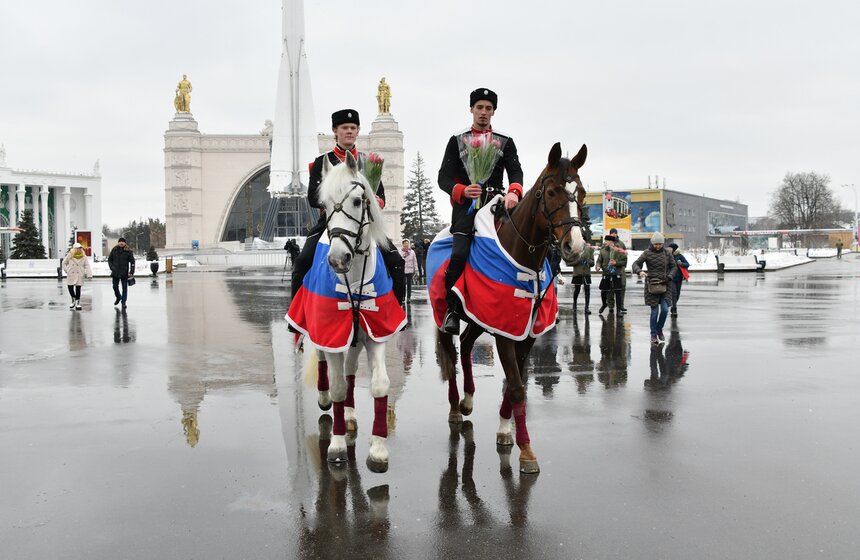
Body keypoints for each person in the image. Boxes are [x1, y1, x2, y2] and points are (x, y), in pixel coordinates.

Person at [290, 108, 403, 305]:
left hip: (365, 222)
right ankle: (298, 316)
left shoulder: (368, 163)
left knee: (396, 261)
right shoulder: (321, 162)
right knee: (302, 262)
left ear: (358, 131)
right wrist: (334, 200)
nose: (349, 131)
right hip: (330, 223)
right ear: (335, 131)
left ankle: (397, 308)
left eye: (353, 127)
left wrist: (375, 201)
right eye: (344, 127)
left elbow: (380, 195)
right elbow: (312, 198)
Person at [437, 87, 524, 334]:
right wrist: (461, 191)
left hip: (497, 205)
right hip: (466, 208)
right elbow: (443, 177)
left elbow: (515, 172)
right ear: (471, 109)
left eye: (488, 108)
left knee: (532, 245)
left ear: (493, 112)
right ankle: (453, 310)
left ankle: (538, 302)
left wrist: (513, 192)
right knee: (459, 254)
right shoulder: (457, 139)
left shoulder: (504, 140)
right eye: (479, 107)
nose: (483, 113)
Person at [632, 232, 677, 345]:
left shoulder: (667, 253)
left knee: (665, 309)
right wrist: (640, 271)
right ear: (652, 243)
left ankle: (659, 329)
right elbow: (636, 264)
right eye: (656, 244)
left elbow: (674, 267)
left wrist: (670, 276)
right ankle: (653, 334)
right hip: (651, 285)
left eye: (660, 244)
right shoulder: (647, 253)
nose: (658, 246)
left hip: (665, 284)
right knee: (654, 311)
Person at [595, 235, 627, 314]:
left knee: (618, 292)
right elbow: (599, 261)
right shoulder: (603, 251)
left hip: (616, 273)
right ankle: (607, 305)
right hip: (606, 273)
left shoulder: (619, 250)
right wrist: (598, 266)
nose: (605, 242)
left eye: (606, 241)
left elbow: (624, 262)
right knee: (605, 291)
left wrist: (616, 263)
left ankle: (618, 310)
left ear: (611, 242)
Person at [62, 242, 92, 310]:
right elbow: (64, 263)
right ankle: (73, 299)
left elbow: (87, 265)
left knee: (78, 288)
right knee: (70, 287)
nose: (79, 249)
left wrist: (89, 274)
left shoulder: (84, 256)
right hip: (71, 273)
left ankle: (78, 303)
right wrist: (67, 270)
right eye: (77, 248)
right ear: (74, 249)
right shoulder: (69, 255)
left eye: (80, 248)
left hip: (79, 273)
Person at [108, 237, 136, 309]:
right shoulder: (114, 250)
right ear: (118, 242)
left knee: (124, 288)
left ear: (125, 243)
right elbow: (110, 259)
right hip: (115, 272)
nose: (121, 243)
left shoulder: (128, 251)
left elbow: (132, 261)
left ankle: (123, 302)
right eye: (120, 241)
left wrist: (131, 271)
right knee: (114, 286)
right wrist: (112, 267)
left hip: (124, 272)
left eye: (123, 242)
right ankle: (118, 297)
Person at [667, 242, 690, 317]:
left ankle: (673, 305)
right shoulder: (668, 256)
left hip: (679, 278)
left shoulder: (680, 256)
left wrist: (681, 263)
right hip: (671, 278)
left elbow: (687, 264)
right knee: (674, 293)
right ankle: (674, 308)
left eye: (670, 248)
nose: (669, 250)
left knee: (678, 295)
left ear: (674, 249)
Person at [571, 243, 595, 314]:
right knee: (577, 290)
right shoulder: (575, 250)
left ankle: (586, 307)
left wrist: (587, 261)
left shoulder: (589, 251)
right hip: (577, 273)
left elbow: (592, 263)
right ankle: (574, 304)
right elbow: (571, 262)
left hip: (586, 274)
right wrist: (579, 260)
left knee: (587, 291)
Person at [608, 227, 628, 311]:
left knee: (621, 288)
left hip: (620, 271)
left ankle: (621, 305)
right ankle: (611, 306)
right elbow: (602, 257)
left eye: (615, 233)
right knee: (610, 288)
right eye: (612, 233)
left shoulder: (621, 244)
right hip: (610, 271)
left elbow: (625, 260)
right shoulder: (607, 244)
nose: (614, 234)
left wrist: (617, 263)